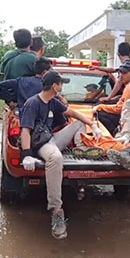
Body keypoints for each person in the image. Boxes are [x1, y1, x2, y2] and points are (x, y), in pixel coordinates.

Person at [20, 71, 103, 240]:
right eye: (61, 84)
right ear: (54, 86)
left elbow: (73, 114)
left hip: (51, 139)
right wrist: (27, 155)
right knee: (56, 158)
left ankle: (81, 148)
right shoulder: (33, 103)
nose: (62, 87)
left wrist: (93, 125)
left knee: (78, 122)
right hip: (41, 144)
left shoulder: (53, 102)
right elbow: (25, 131)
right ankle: (57, 211)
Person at [92, 61, 130, 136]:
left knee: (99, 114)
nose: (120, 75)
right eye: (120, 73)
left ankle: (113, 135)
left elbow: (121, 109)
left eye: (124, 73)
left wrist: (100, 107)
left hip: (127, 119)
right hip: (128, 117)